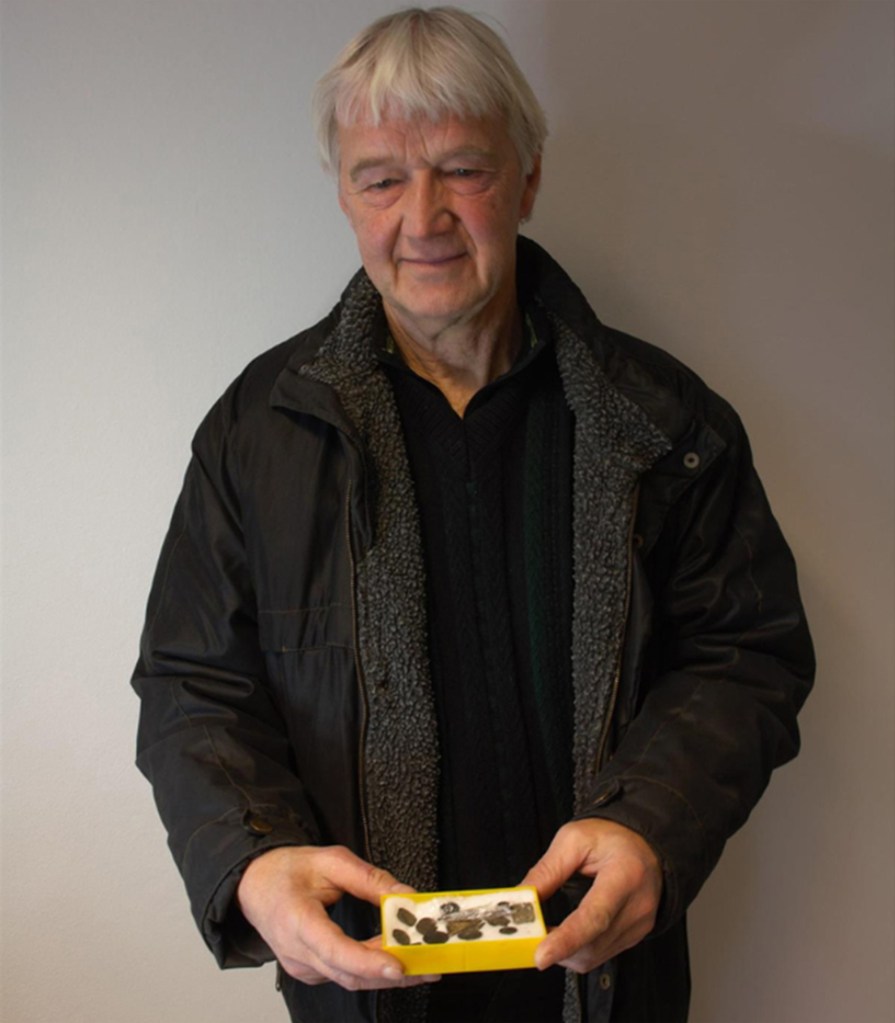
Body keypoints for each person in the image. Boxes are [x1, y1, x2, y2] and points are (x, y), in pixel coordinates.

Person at [132, 7, 814, 1022]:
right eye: (381, 178)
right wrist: (253, 860)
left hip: (606, 983)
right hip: (364, 990)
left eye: (462, 169)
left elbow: (744, 654)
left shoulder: (664, 423)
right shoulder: (257, 432)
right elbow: (194, 683)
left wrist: (650, 828)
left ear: (527, 178)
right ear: (343, 196)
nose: (423, 217)